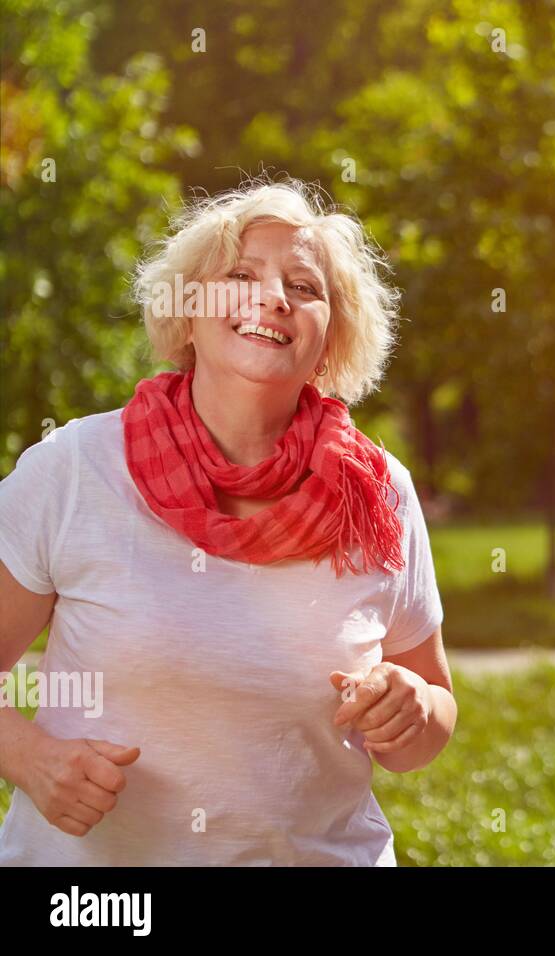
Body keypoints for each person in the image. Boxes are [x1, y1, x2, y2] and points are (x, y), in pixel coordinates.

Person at [0, 177, 456, 865]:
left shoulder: (378, 494)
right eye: (241, 275)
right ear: (187, 313)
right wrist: (29, 757)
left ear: (331, 341)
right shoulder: (72, 470)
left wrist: (415, 708)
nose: (273, 297)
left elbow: (433, 717)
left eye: (304, 287)